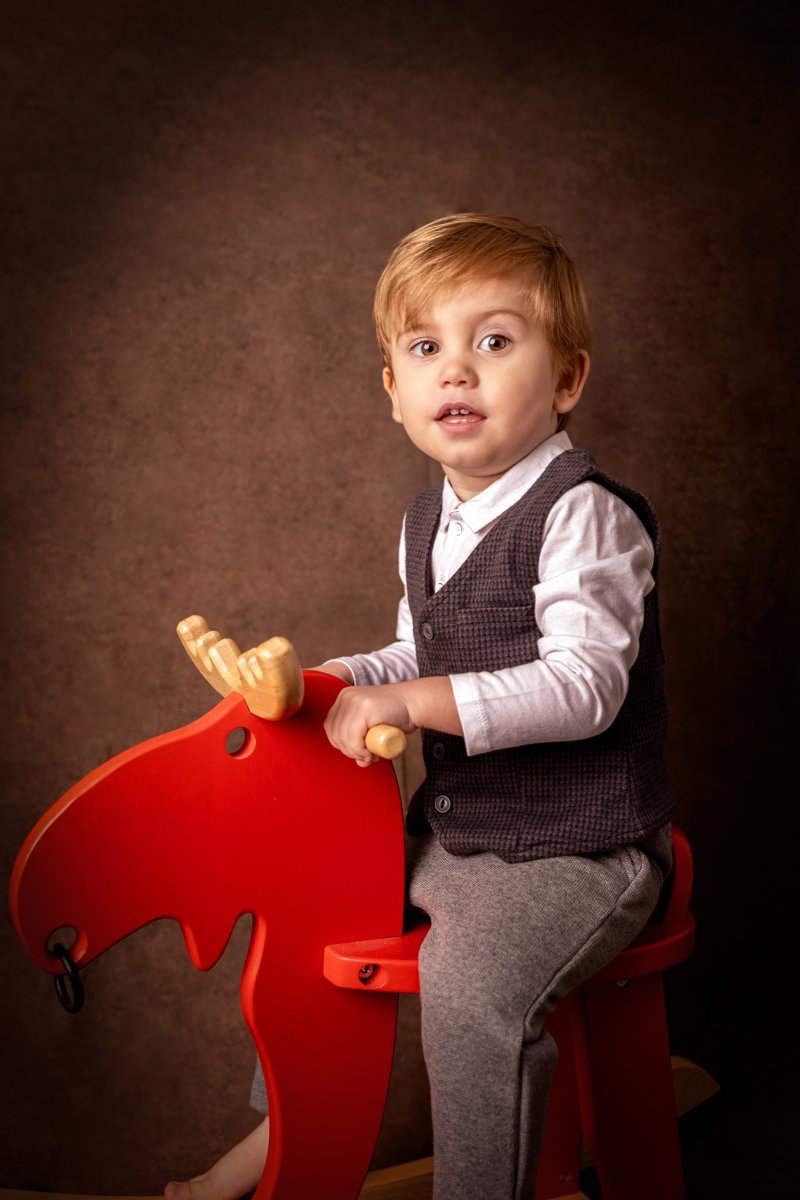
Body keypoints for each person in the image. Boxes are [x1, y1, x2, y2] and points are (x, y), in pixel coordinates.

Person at [165, 212, 675, 1200]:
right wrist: (316, 685)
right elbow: (414, 651)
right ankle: (283, 1139)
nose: (456, 370)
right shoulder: (428, 518)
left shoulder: (582, 515)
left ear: (565, 380)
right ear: (392, 390)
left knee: (469, 986)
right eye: (425, 347)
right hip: (459, 832)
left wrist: (410, 696)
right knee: (302, 917)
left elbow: (586, 686)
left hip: (576, 847)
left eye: (493, 341)